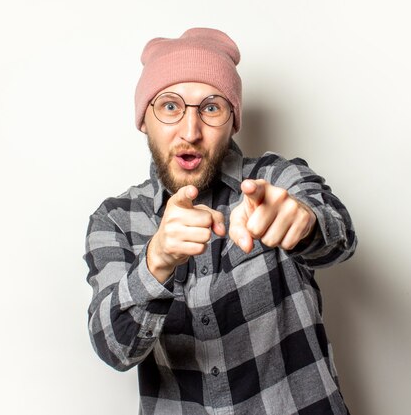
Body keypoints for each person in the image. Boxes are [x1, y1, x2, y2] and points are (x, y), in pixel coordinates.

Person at [84, 28, 357, 415]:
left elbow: (340, 236)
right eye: (170, 106)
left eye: (211, 107)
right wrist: (156, 261)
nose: (191, 132)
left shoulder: (275, 178)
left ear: (233, 121)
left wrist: (303, 223)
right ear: (145, 120)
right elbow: (114, 349)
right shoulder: (115, 220)